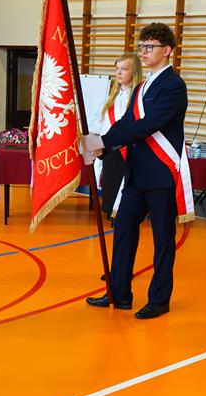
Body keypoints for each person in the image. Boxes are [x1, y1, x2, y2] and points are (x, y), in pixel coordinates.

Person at [82, 23, 193, 319]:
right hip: (135, 173)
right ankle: (120, 293)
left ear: (166, 50)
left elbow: (148, 125)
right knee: (123, 231)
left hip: (161, 175)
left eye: (149, 46)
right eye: (142, 46)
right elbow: (127, 122)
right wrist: (102, 146)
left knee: (162, 240)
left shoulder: (174, 85)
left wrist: (104, 141)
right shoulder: (142, 87)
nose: (143, 51)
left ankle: (159, 299)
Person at [97, 52, 142, 218]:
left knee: (125, 201)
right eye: (117, 68)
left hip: (128, 152)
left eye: (124, 69)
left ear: (134, 71)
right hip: (111, 152)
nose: (118, 73)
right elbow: (105, 126)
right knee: (110, 195)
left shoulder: (139, 97)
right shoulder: (113, 97)